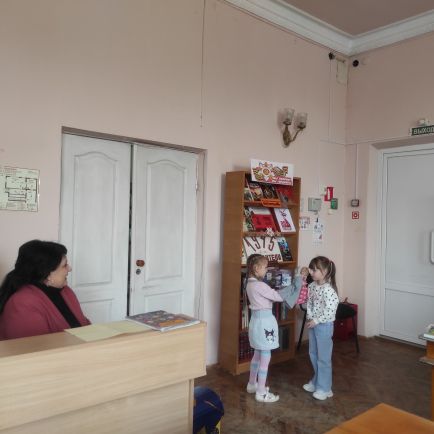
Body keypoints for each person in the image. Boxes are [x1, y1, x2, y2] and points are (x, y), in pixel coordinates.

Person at [0, 240, 91, 340]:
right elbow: (35, 347)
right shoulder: (22, 303)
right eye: (65, 265)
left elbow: (84, 324)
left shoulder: (66, 291)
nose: (70, 269)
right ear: (47, 273)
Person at [245, 254, 283, 403]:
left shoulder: (249, 284)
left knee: (257, 354)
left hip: (255, 322)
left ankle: (252, 384)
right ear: (256, 268)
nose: (267, 270)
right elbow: (278, 297)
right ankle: (261, 392)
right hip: (264, 323)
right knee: (265, 359)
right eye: (265, 267)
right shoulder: (260, 285)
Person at [303, 256, 339, 400]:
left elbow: (331, 310)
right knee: (313, 354)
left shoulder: (329, 290)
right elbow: (309, 303)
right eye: (311, 269)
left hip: (324, 326)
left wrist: (316, 320)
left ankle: (325, 388)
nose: (311, 272)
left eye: (314, 270)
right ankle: (317, 381)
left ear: (324, 271)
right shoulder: (312, 286)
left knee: (323, 358)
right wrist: (311, 318)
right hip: (313, 324)